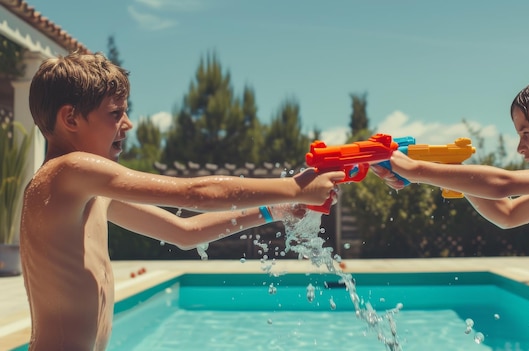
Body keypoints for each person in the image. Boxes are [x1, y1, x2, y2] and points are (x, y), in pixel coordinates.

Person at [20, 52, 344, 351]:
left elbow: (184, 233)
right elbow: (195, 194)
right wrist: (294, 187)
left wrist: (272, 210)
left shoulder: (88, 192)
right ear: (71, 119)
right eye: (115, 113)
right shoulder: (68, 170)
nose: (128, 124)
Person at [372, 66, 529, 350]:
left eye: (527, 132)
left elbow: (504, 183)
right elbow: (506, 213)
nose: (520, 147)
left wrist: (418, 169)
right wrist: (449, 168)